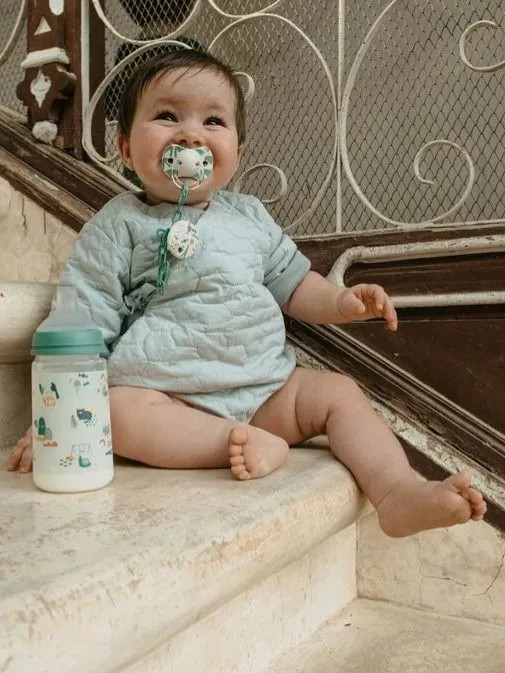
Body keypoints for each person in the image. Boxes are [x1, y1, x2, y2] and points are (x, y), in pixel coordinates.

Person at [6, 50, 486, 537]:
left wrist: (341, 303)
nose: (191, 135)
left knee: (338, 393)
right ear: (126, 149)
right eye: (167, 115)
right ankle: (232, 441)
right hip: (167, 397)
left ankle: (396, 491)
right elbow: (85, 313)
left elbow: (293, 283)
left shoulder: (249, 217)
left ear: (236, 152)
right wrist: (57, 417)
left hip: (263, 388)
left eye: (213, 121)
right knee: (117, 412)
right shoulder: (119, 224)